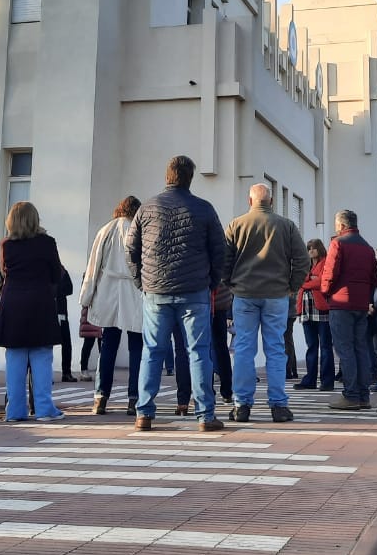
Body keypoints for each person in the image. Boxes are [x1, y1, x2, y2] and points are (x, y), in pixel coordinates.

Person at [126, 155, 225, 432]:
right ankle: (205, 415)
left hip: (155, 290)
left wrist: (141, 281)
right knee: (198, 352)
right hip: (194, 291)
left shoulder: (146, 208)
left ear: (167, 176)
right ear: (190, 178)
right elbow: (220, 251)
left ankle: (143, 413)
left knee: (152, 352)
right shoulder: (204, 209)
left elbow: (130, 249)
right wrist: (211, 282)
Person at [224, 182, 308, 423]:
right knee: (275, 350)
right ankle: (279, 406)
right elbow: (302, 260)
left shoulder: (236, 224)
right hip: (276, 295)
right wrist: (291, 286)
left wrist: (231, 283)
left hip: (245, 294)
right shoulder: (287, 226)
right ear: (271, 201)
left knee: (243, 350)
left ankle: (242, 405)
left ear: (250, 201)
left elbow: (224, 260)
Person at [0, 200, 66, 422]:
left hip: (12, 303)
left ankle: (14, 410)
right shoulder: (47, 243)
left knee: (15, 358)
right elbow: (56, 274)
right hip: (40, 303)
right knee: (41, 356)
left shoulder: (6, 245)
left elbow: (4, 273)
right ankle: (44, 408)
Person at [81, 196, 144, 415]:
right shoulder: (140, 229)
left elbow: (93, 265)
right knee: (137, 346)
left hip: (108, 290)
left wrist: (86, 297)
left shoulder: (105, 230)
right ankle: (134, 399)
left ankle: (100, 397)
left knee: (108, 345)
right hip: (135, 291)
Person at [321, 210, 377, 410]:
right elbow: (374, 278)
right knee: (360, 348)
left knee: (345, 349)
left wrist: (326, 292)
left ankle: (351, 395)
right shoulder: (368, 248)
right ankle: (364, 396)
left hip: (341, 303)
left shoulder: (338, 243)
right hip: (360, 304)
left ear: (341, 225)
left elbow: (330, 273)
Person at [295, 238, 335, 390]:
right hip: (306, 309)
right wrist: (311, 280)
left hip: (322, 309)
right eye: (308, 248)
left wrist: (309, 282)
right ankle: (309, 380)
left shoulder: (325, 262)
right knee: (311, 346)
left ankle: (327, 381)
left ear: (319, 249)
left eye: (313, 248)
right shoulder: (306, 265)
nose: (310, 251)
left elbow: (323, 282)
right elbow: (299, 280)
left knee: (325, 346)